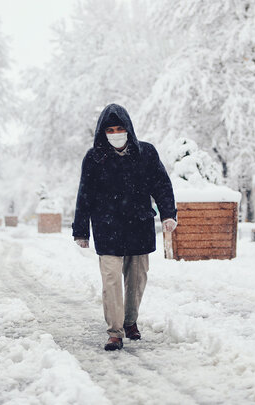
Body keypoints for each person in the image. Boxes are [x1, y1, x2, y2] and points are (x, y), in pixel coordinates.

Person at [72, 103, 177, 351]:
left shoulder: (146, 153)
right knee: (111, 280)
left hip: (138, 225)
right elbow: (84, 194)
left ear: (128, 129)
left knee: (137, 279)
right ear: (102, 132)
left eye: (120, 128)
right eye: (110, 129)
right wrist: (80, 230)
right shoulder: (94, 158)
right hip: (107, 227)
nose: (116, 133)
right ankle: (115, 332)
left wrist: (168, 214)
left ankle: (130, 322)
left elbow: (162, 185)